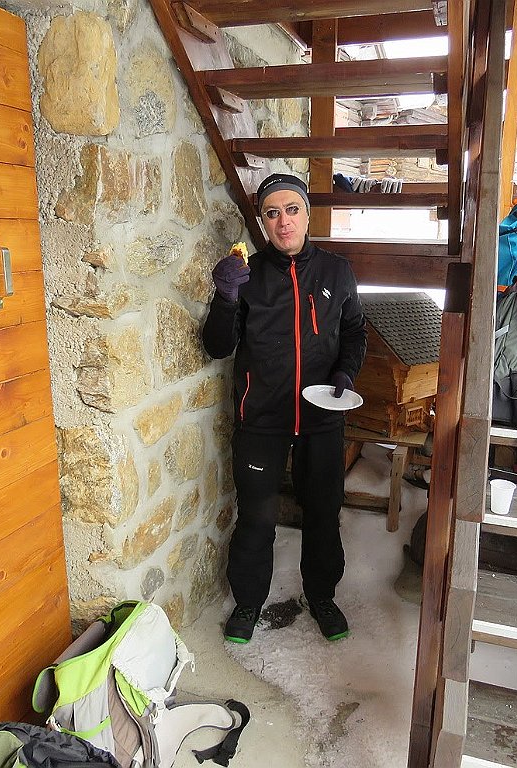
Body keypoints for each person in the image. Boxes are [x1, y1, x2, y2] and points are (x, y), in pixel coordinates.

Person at [202, 173, 367, 644]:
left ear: (307, 215)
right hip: (262, 420)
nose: (283, 221)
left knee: (323, 513)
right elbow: (217, 346)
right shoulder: (247, 276)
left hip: (321, 418)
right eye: (272, 213)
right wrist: (225, 299)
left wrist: (344, 375)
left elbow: (354, 332)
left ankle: (322, 597)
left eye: (292, 209)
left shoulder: (337, 272)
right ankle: (248, 602)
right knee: (256, 517)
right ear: (263, 222)